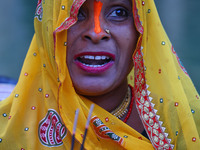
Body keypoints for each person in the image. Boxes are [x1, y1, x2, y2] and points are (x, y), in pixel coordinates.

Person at [0, 0, 199, 149]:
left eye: (119, 12)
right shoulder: (7, 130)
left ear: (142, 30)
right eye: (75, 13)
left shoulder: (180, 129)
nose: (96, 33)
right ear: (47, 26)